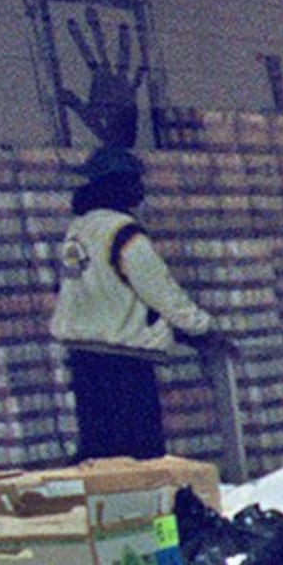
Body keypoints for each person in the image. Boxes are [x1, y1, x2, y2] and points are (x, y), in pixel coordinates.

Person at [51, 149, 221, 461]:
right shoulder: (125, 234)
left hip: (84, 356)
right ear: (120, 185)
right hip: (123, 363)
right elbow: (160, 290)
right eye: (136, 182)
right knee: (140, 455)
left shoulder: (79, 230)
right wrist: (202, 328)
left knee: (99, 454)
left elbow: (103, 290)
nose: (141, 191)